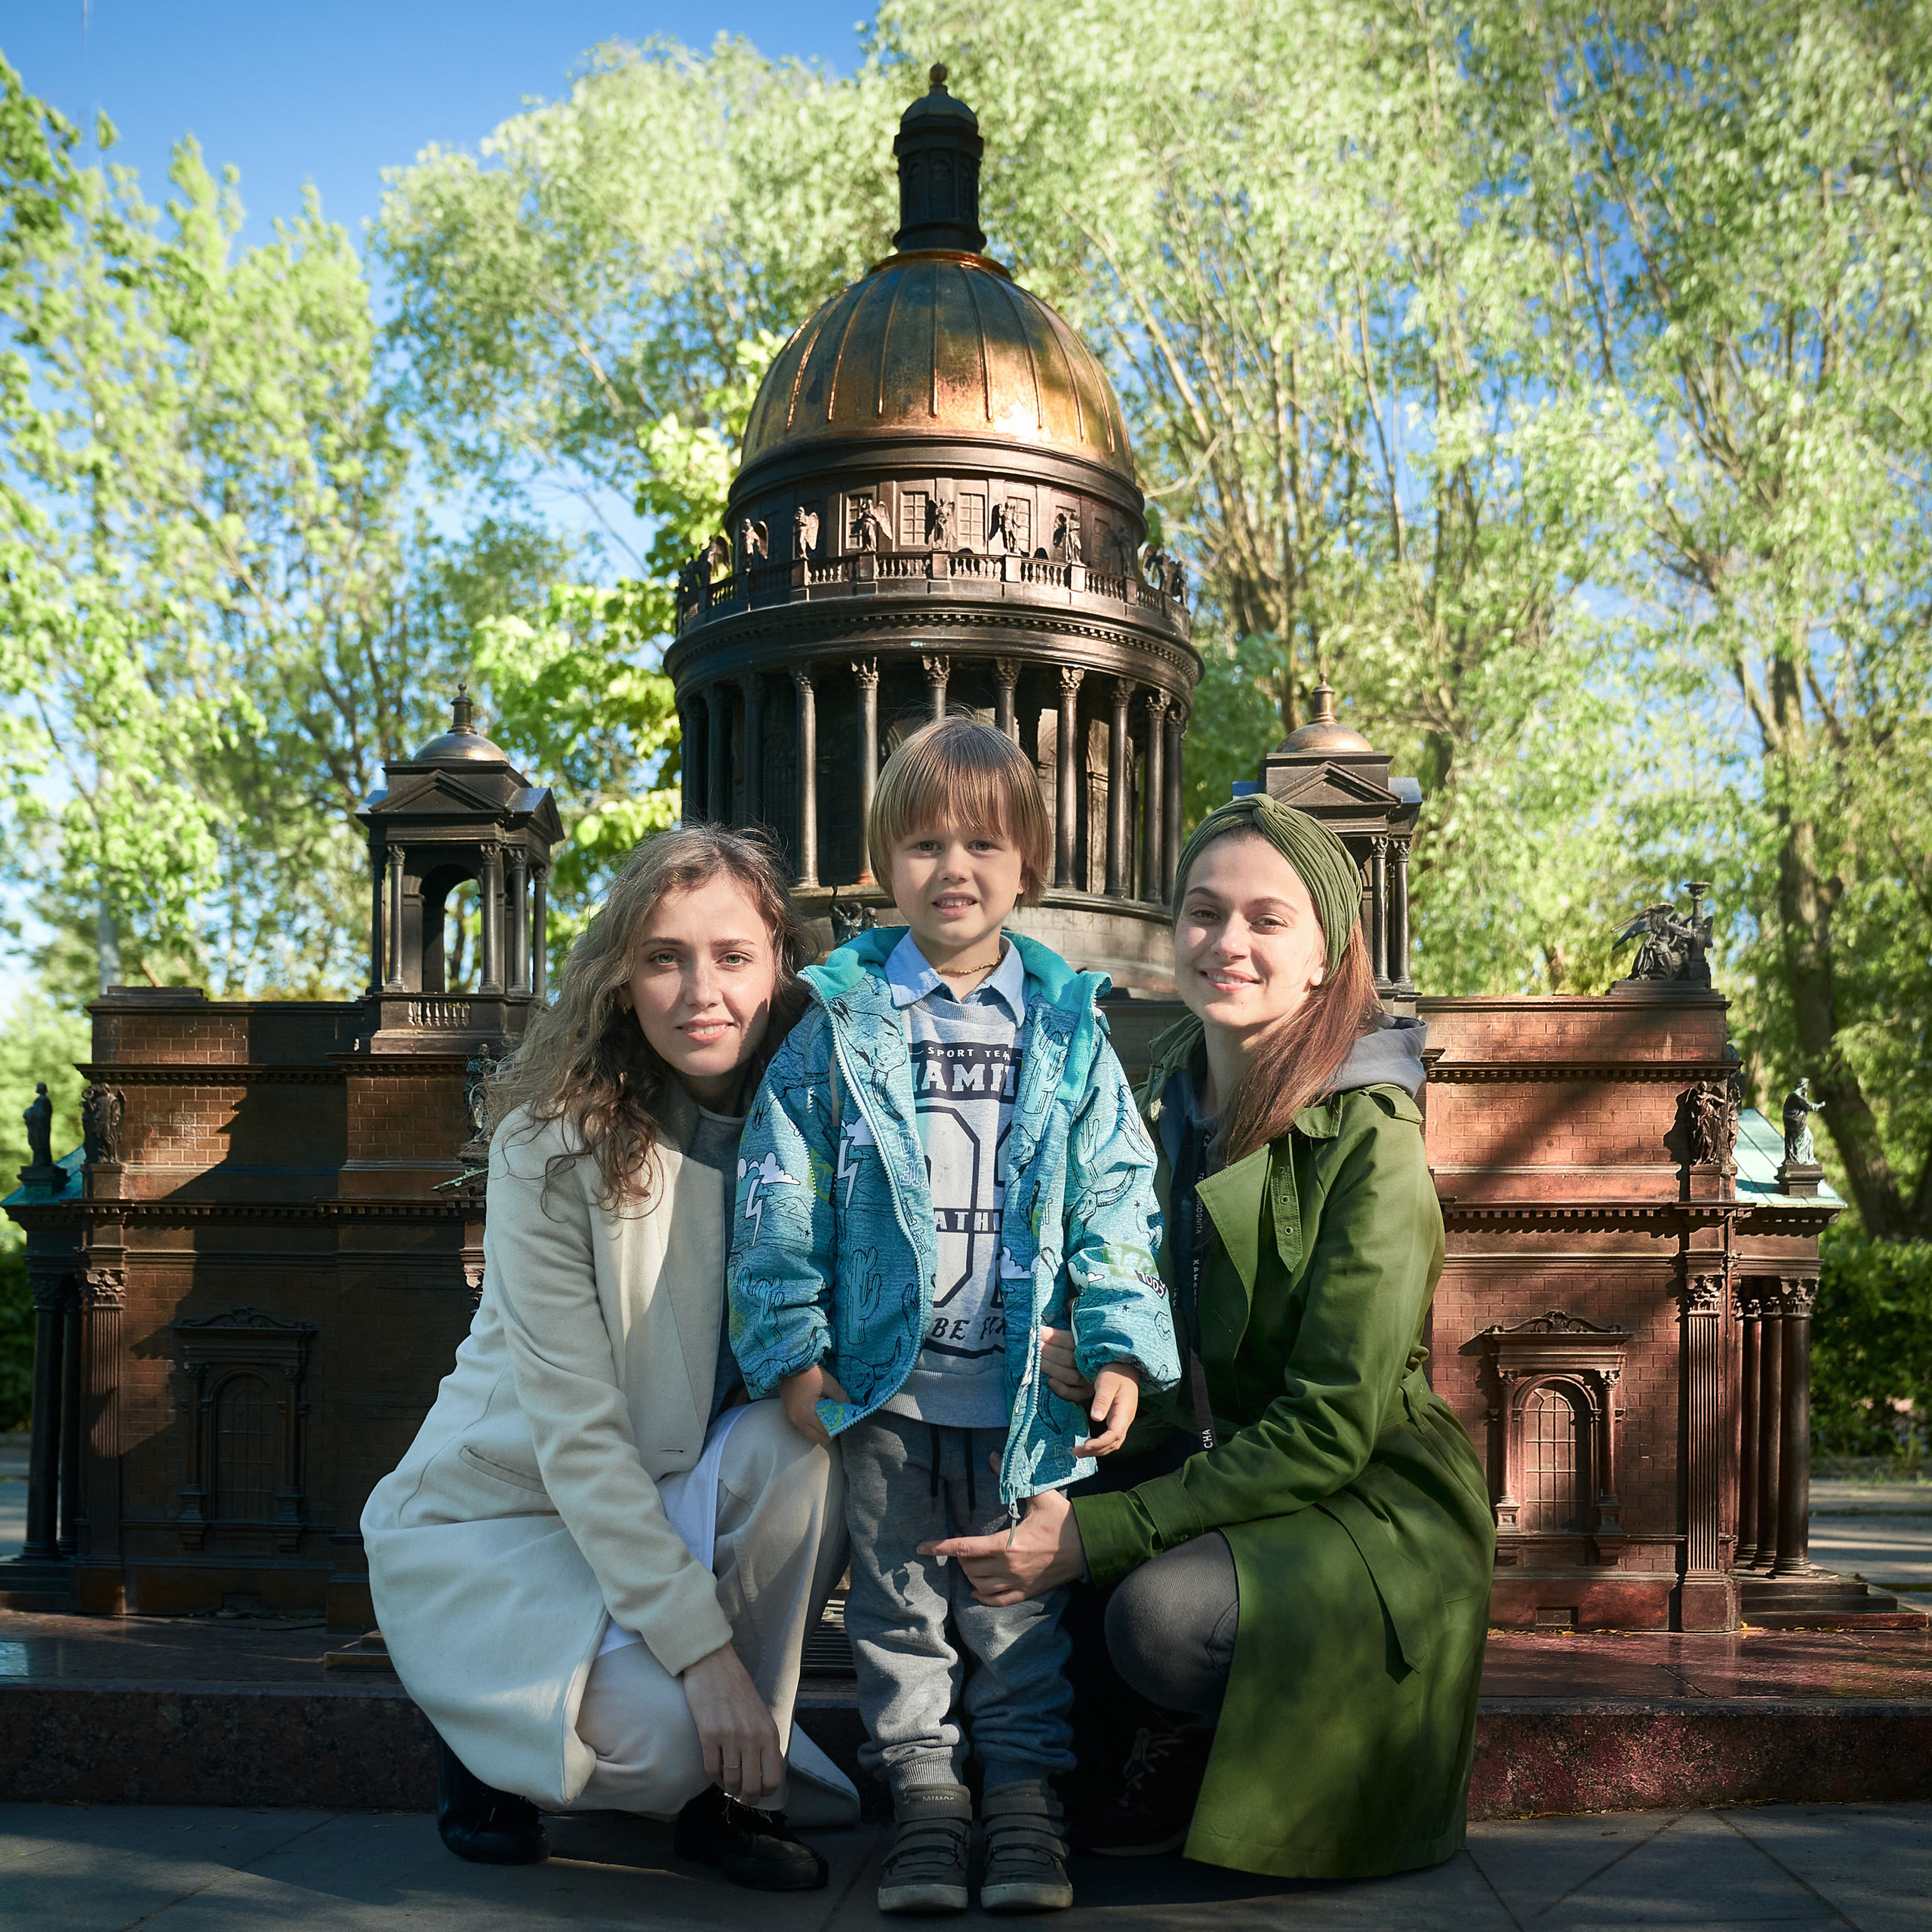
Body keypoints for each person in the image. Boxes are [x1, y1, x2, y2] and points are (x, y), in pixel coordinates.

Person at [924, 793, 1495, 1880]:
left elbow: (1328, 1427)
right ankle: (996, 1783)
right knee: (993, 1505)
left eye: (1267, 920)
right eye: (1204, 911)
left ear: (1326, 956)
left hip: (1360, 1497)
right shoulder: (1166, 1104)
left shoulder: (1371, 1144)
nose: (1228, 941)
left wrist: (1100, 1534)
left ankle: (1198, 1735)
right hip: (1212, 1456)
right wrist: (1105, 1358)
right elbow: (1158, 1315)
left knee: (1159, 1618)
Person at [730, 716, 1180, 1916]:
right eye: (925, 843)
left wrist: (1119, 1342)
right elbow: (780, 1192)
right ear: (886, 861)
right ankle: (926, 1805)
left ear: (1030, 863)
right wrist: (792, 1352)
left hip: (1026, 1395)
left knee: (1018, 1615)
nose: (954, 869)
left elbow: (1118, 1193)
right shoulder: (841, 1024)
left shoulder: (1069, 1028)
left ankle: (1025, 1805)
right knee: (897, 1613)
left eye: (983, 843)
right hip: (887, 1394)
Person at [362, 826, 853, 1894]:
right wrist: (702, 1659)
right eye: (664, 958)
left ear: (780, 965)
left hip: (676, 1481)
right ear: (622, 980)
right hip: (514, 1514)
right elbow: (580, 1437)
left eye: (733, 956)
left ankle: (733, 1791)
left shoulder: (825, 1129)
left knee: (803, 1451)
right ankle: (486, 1733)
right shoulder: (551, 1145)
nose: (701, 992)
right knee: (663, 1751)